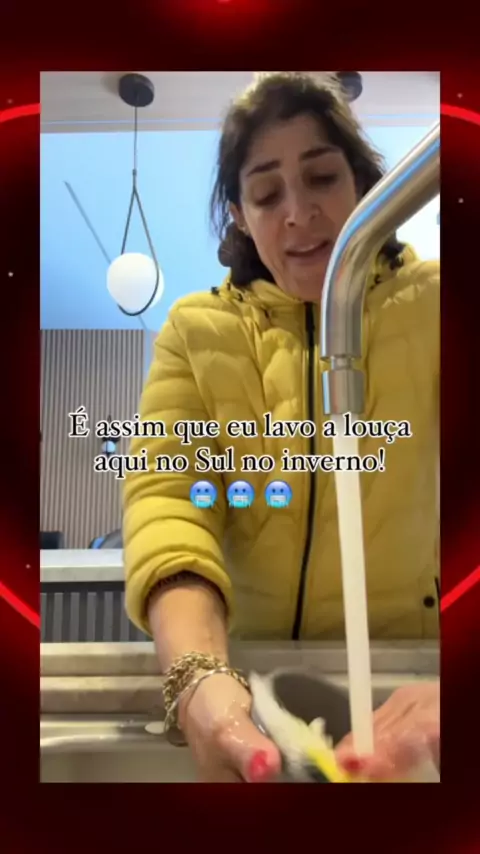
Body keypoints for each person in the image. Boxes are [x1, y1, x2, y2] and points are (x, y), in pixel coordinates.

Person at [123, 72, 440, 783]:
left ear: (363, 186)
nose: (299, 213)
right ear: (239, 215)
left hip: (412, 680)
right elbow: (169, 502)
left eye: (322, 178)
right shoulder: (195, 331)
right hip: (251, 684)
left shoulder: (439, 306)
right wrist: (198, 678)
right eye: (267, 194)